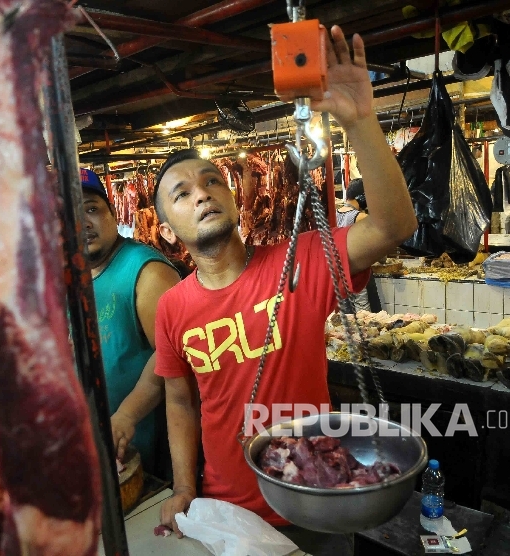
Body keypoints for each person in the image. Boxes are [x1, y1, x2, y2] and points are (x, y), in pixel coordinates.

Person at [151, 25, 418, 539]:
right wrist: (185, 487)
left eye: (212, 182)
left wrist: (360, 123)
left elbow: (393, 226)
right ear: (167, 229)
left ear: (232, 199)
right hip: (229, 510)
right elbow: (180, 401)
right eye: (181, 194)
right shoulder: (172, 307)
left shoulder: (302, 261)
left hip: (319, 500)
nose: (202, 194)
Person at [80, 168, 181, 476]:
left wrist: (126, 414)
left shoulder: (147, 272)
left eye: (91, 209)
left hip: (145, 452)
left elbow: (173, 356)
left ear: (111, 213)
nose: (81, 222)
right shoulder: (69, 275)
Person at [336, 179, 371, 312]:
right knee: (363, 312)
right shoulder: (361, 217)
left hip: (338, 270)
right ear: (362, 197)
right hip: (355, 270)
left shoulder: (335, 214)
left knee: (343, 312)